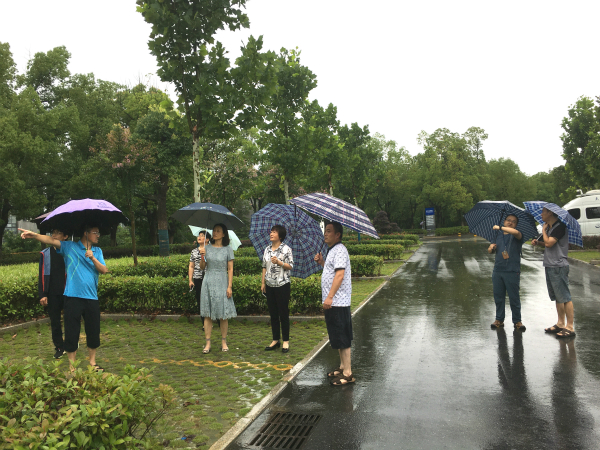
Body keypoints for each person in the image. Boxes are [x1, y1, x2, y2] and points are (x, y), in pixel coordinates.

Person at [20, 224, 108, 369]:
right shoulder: (69, 247)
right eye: (95, 232)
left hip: (92, 298)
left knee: (93, 331)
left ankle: (93, 363)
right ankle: (72, 367)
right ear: (86, 233)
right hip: (72, 297)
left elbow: (104, 270)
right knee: (71, 332)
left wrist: (93, 258)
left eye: (98, 233)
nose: (98, 235)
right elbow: (51, 240)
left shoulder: (97, 251)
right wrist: (34, 235)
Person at [315, 221, 355, 386]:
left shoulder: (340, 250)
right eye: (325, 230)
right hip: (334, 301)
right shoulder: (332, 250)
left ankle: (348, 373)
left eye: (329, 231)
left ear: (337, 235)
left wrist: (330, 297)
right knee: (338, 336)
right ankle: (342, 366)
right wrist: (322, 263)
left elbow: (339, 275)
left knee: (343, 337)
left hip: (338, 301)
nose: (325, 233)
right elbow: (332, 271)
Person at [532, 208, 575, 338]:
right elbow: (547, 243)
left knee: (565, 297)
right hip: (550, 265)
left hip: (558, 266)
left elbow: (549, 243)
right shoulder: (551, 227)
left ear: (550, 213)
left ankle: (570, 327)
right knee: (558, 296)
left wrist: (543, 231)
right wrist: (538, 242)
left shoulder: (559, 227)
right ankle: (560, 323)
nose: (541, 214)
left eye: (543, 212)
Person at [199, 223, 236, 353]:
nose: (215, 233)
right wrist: (202, 257)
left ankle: (224, 341)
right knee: (207, 313)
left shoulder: (228, 249)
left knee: (223, 314)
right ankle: (207, 343)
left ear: (223, 234)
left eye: (218, 231)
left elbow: (230, 269)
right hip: (208, 280)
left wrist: (229, 286)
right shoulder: (206, 248)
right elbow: (202, 267)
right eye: (214, 230)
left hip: (222, 281)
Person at [488, 215, 526, 331]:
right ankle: (499, 319)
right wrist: (491, 248)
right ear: (504, 221)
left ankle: (517, 321)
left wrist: (500, 227)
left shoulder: (517, 235)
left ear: (516, 225)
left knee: (514, 297)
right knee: (498, 296)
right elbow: (490, 251)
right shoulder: (497, 235)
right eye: (508, 220)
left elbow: (516, 232)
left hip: (512, 271)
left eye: (513, 222)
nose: (510, 222)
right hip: (498, 270)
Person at [261, 225, 294, 353]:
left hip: (282, 285)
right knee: (273, 313)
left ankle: (286, 341)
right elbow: (264, 266)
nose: (271, 233)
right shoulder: (267, 249)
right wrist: (263, 282)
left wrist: (279, 262)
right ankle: (275, 339)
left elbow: (290, 266)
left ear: (280, 236)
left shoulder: (286, 249)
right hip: (270, 285)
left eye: (274, 232)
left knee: (283, 313)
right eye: (271, 231)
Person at [38, 228, 69, 359]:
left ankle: (71, 343)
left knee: (70, 320)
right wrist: (42, 294)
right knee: (55, 322)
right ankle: (59, 347)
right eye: (53, 233)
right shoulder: (45, 254)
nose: (54, 235)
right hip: (52, 293)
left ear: (65, 236)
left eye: (58, 233)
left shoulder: (69, 252)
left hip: (68, 291)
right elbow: (41, 275)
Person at [189, 231, 210, 325]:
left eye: (202, 236)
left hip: (209, 278)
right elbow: (191, 266)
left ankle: (214, 320)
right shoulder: (194, 251)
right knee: (200, 300)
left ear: (207, 239)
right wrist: (190, 280)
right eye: (199, 235)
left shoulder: (212, 250)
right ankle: (204, 323)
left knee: (210, 299)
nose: (199, 237)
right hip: (198, 278)